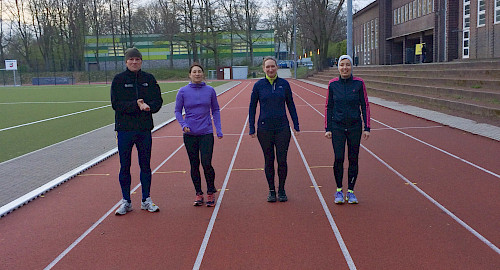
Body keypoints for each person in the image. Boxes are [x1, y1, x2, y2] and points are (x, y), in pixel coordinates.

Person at [111, 47, 163, 215]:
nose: (134, 62)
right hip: (125, 130)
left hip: (144, 130)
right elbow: (116, 104)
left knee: (145, 165)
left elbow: (158, 101)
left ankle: (146, 199)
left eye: (137, 59)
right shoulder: (118, 80)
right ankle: (126, 201)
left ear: (141, 61)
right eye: (131, 59)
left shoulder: (149, 79)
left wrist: (149, 107)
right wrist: (136, 104)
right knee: (124, 166)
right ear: (126, 61)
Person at [249, 56, 300, 203]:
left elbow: (291, 105)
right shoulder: (258, 86)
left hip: (282, 128)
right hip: (264, 129)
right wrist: (251, 127)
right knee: (269, 160)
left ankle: (282, 189)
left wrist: (296, 125)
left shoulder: (284, 84)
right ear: (263, 69)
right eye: (267, 67)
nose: (270, 69)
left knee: (282, 160)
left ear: (277, 67)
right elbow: (252, 107)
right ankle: (271, 190)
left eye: (273, 66)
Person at [175, 63, 223, 207]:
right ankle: (198, 193)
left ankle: (210, 191)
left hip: (206, 132)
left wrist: (218, 129)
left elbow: (215, 110)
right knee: (194, 164)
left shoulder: (210, 90)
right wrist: (183, 125)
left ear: (203, 74)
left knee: (207, 163)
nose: (197, 74)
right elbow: (177, 111)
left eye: (199, 72)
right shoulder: (183, 91)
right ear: (190, 75)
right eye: (194, 72)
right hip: (190, 134)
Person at [325, 54, 370, 204]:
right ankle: (339, 190)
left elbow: (365, 105)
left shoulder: (359, 83)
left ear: (351, 67)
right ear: (338, 67)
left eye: (347, 65)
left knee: (353, 159)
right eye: (342, 65)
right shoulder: (332, 84)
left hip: (355, 127)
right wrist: (328, 127)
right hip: (337, 127)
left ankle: (350, 191)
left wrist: (367, 127)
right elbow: (328, 106)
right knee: (338, 158)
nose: (345, 68)